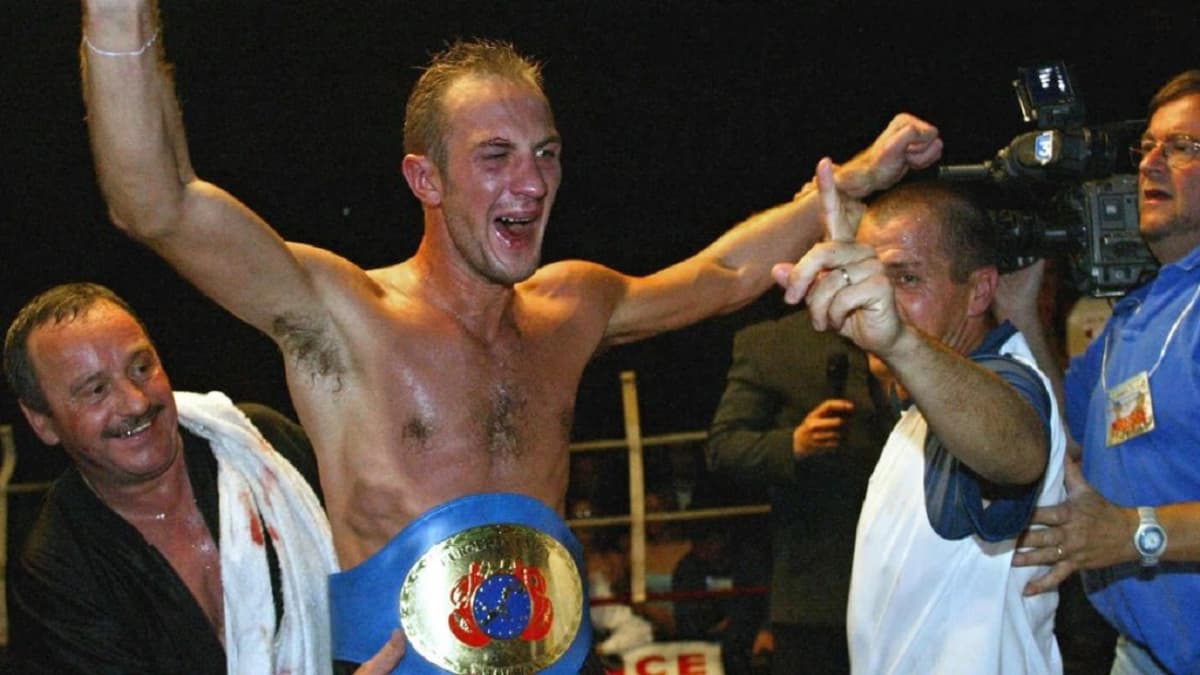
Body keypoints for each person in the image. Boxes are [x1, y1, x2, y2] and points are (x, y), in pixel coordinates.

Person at [79, 1, 941, 668]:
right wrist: (122, 15)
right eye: (496, 156)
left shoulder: (571, 309)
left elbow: (719, 278)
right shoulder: (340, 316)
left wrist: (855, 180)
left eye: (547, 152)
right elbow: (156, 202)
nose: (531, 183)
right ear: (427, 177)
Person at [2, 282, 404, 674]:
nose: (135, 401)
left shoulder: (260, 447)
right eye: (95, 390)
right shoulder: (55, 570)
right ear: (42, 422)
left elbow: (389, 549)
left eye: (141, 368)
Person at [774, 164, 1067, 673]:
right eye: (870, 277)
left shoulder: (1006, 379)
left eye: (907, 278)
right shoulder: (919, 399)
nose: (880, 300)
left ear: (978, 292)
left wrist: (898, 340)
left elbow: (1019, 451)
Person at [1005, 70, 1200, 675]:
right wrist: (1023, 317)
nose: (1150, 164)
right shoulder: (1139, 311)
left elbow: (1125, 529)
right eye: (1148, 146)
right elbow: (1073, 435)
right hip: (1139, 656)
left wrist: (1135, 532)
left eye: (1183, 147)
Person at [705, 306, 892, 674]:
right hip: (816, 589)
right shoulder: (774, 343)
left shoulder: (921, 320)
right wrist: (793, 444)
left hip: (911, 582)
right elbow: (723, 448)